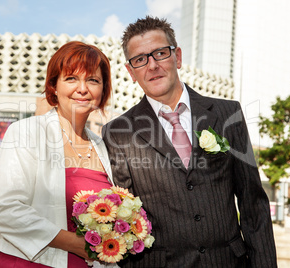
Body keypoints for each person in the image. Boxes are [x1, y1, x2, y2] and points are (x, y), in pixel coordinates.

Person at [102, 16, 277, 267]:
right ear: (131, 72)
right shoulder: (117, 132)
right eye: (140, 59)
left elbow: (254, 206)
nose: (152, 65)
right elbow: (123, 222)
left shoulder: (228, 114)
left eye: (160, 53)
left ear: (178, 57)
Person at [0, 41, 116, 267]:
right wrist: (76, 244)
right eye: (71, 78)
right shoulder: (25, 132)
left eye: (93, 80)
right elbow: (4, 209)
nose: (83, 88)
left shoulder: (102, 146)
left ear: (103, 90)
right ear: (54, 86)